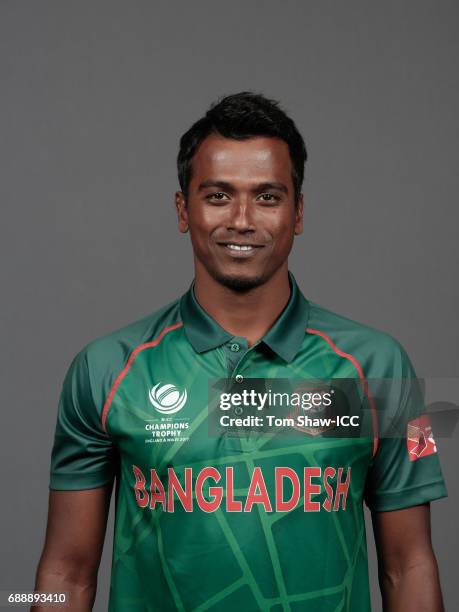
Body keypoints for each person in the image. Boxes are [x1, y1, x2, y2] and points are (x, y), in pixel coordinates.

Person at [32, 92, 447, 612]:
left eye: (268, 197)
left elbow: (409, 564)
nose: (243, 220)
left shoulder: (382, 368)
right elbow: (64, 576)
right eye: (218, 196)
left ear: (298, 212)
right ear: (184, 210)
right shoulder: (105, 369)